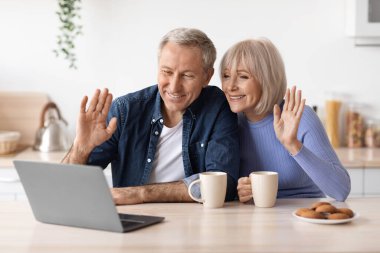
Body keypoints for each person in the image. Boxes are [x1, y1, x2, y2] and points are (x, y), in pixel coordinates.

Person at [62, 28, 239, 205]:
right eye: (167, 72)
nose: (174, 87)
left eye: (187, 75)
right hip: (135, 220)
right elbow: (65, 187)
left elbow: (223, 183)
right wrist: (80, 148)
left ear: (207, 77)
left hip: (192, 223)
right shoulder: (125, 110)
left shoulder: (217, 107)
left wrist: (140, 194)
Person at [219, 38, 350, 202]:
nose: (230, 86)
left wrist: (292, 145)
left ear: (266, 79)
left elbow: (341, 190)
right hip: (257, 218)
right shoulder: (227, 123)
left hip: (304, 214)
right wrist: (241, 191)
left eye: (243, 76)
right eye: (225, 76)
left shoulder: (300, 118)